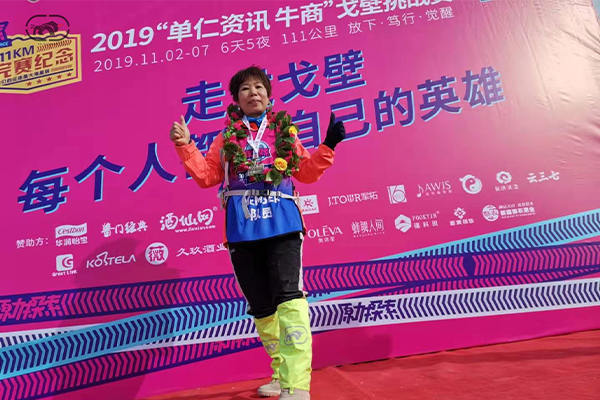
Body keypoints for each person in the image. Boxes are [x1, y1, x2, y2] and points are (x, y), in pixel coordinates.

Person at [170, 65, 345, 400]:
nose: (253, 93)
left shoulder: (284, 132)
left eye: (259, 87)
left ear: (269, 95)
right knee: (262, 306)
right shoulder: (225, 138)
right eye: (245, 89)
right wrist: (186, 145)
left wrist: (328, 146)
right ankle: (281, 373)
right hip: (242, 229)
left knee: (289, 298)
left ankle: (297, 385)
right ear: (236, 100)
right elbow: (207, 176)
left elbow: (307, 174)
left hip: (282, 225)